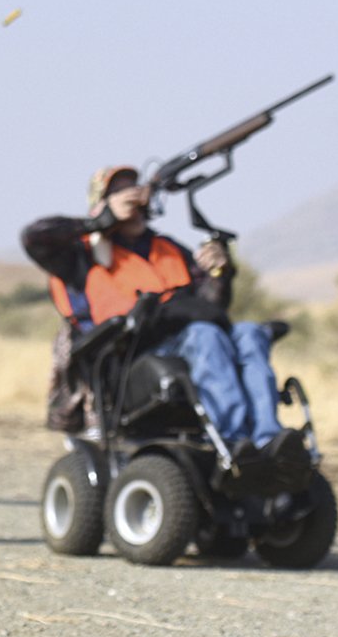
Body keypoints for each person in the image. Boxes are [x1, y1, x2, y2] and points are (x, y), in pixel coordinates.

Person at [21, 165, 293, 458]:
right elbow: (34, 237)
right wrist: (100, 222)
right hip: (127, 356)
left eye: (134, 187)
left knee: (249, 333)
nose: (132, 195)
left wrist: (220, 273)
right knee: (205, 335)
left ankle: (267, 439)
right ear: (100, 203)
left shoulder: (170, 249)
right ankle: (233, 440)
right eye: (119, 190)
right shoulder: (80, 255)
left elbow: (212, 308)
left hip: (188, 340)